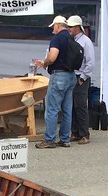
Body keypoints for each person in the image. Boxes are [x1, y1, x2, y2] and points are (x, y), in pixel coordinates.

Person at [32, 15, 76, 148]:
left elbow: (52, 57)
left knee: (52, 109)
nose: (52, 29)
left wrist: (44, 63)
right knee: (67, 110)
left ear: (57, 25)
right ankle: (65, 139)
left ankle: (49, 139)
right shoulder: (71, 38)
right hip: (71, 76)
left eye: (53, 26)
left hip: (59, 76)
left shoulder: (57, 38)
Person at [67, 15, 94, 145]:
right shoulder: (73, 40)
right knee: (72, 105)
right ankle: (76, 132)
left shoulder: (86, 42)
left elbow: (90, 63)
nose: (69, 28)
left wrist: (83, 78)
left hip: (82, 76)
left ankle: (85, 134)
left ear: (78, 27)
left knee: (80, 105)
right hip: (74, 74)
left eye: (71, 26)